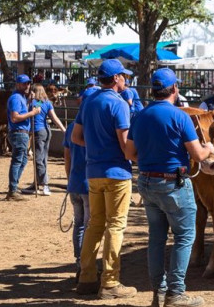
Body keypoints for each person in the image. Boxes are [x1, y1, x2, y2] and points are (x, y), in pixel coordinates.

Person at [125, 68, 214, 307]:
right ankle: (176, 293)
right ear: (175, 89)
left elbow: (129, 152)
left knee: (156, 238)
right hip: (173, 183)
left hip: (146, 181)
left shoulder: (140, 116)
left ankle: (159, 294)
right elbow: (198, 154)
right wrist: (211, 147)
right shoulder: (180, 116)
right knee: (185, 236)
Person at [71, 59, 137, 299]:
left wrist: (98, 145)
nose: (126, 80)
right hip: (116, 173)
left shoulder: (88, 101)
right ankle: (110, 282)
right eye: (124, 76)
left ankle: (86, 277)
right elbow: (125, 144)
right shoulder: (118, 104)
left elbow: (77, 137)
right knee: (115, 225)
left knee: (95, 224)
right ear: (117, 78)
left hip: (93, 172)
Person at [63, 88, 98, 280]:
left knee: (79, 224)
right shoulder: (93, 127)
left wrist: (69, 178)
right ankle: (86, 263)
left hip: (75, 181)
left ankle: (79, 260)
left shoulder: (71, 127)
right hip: (88, 181)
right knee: (88, 224)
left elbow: (67, 157)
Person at [22, 84, 66, 196]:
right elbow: (54, 117)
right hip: (46, 131)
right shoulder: (45, 102)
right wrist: (63, 129)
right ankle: (36, 183)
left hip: (38, 132)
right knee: (43, 158)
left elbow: (30, 111)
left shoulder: (35, 103)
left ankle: (45, 184)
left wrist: (29, 100)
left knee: (38, 159)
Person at [6, 74, 41, 201]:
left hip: (21, 132)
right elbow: (15, 117)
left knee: (23, 160)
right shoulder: (16, 98)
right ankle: (13, 189)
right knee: (17, 160)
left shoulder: (21, 98)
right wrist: (32, 112)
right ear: (17, 84)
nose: (27, 85)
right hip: (19, 132)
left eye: (28, 83)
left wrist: (30, 103)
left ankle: (14, 186)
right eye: (24, 83)